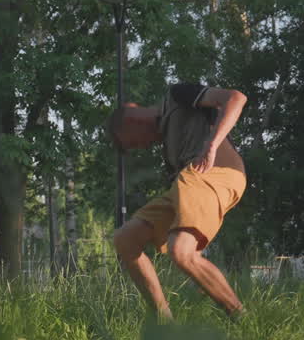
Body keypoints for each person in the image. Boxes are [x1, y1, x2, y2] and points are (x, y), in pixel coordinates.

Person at [105, 82, 248, 321]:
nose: (141, 146)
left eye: (133, 142)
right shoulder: (169, 145)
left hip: (215, 172)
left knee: (181, 251)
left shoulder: (176, 96)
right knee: (126, 239)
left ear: (132, 119)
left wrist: (211, 145)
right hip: (188, 182)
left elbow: (236, 98)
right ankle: (164, 322)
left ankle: (243, 319)